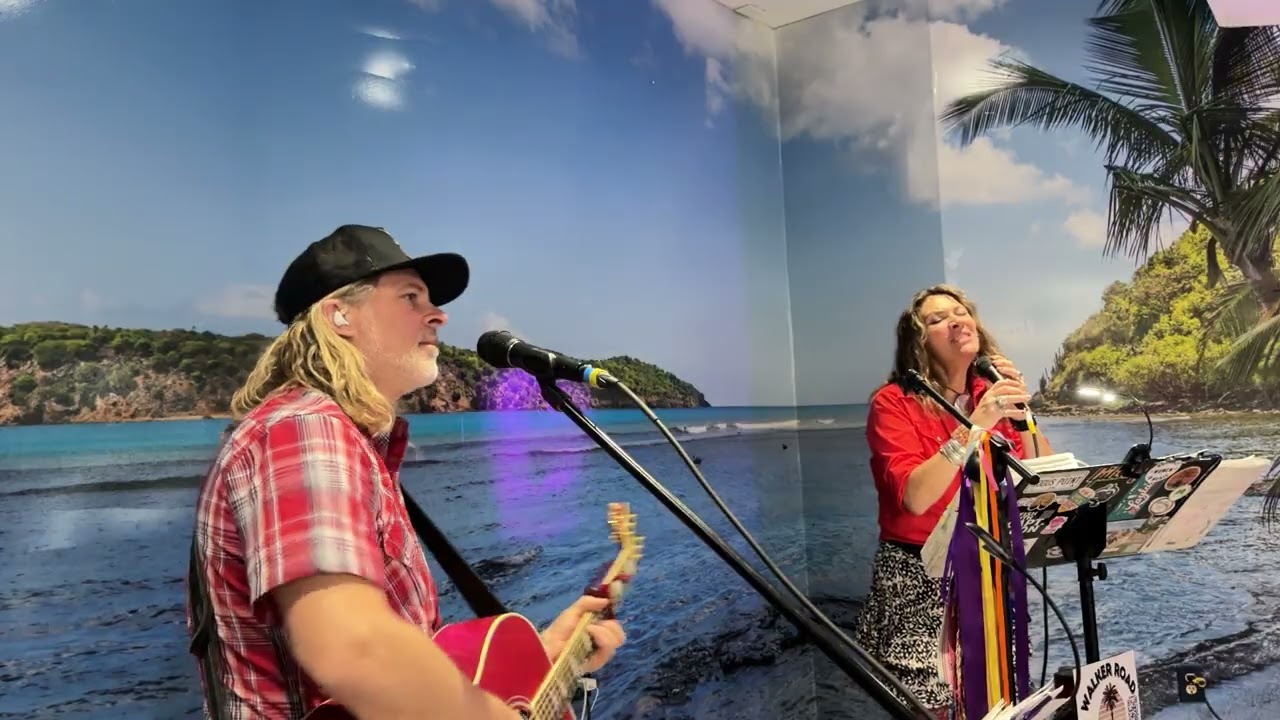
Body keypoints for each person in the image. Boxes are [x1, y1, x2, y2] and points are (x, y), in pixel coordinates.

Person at [185, 224, 626, 719]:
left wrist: (541, 660)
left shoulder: (338, 440)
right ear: (339, 314)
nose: (438, 316)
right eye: (411, 297)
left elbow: (398, 669)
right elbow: (357, 650)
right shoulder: (305, 430)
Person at [852, 284, 1056, 713]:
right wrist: (975, 427)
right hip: (917, 578)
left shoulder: (991, 397)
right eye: (937, 319)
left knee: (999, 700)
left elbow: (1045, 479)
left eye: (961, 311)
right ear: (918, 342)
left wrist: (1023, 420)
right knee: (930, 706)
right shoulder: (894, 403)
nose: (956, 320)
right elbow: (914, 496)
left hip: (990, 573)